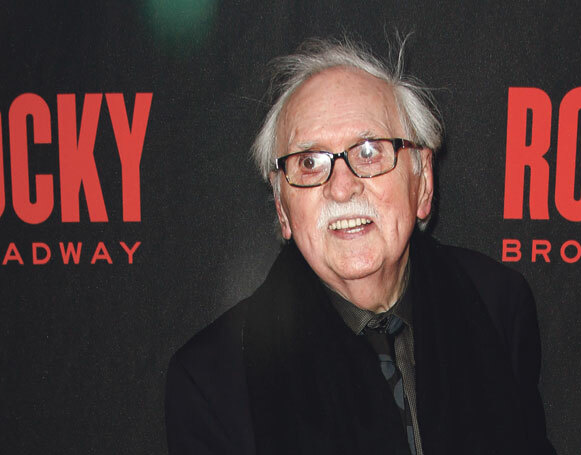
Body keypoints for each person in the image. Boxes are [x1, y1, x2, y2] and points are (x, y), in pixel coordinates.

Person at [165, 37, 556, 455]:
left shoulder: (498, 305)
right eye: (309, 162)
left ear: (422, 180)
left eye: (369, 152)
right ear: (282, 208)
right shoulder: (211, 380)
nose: (341, 186)